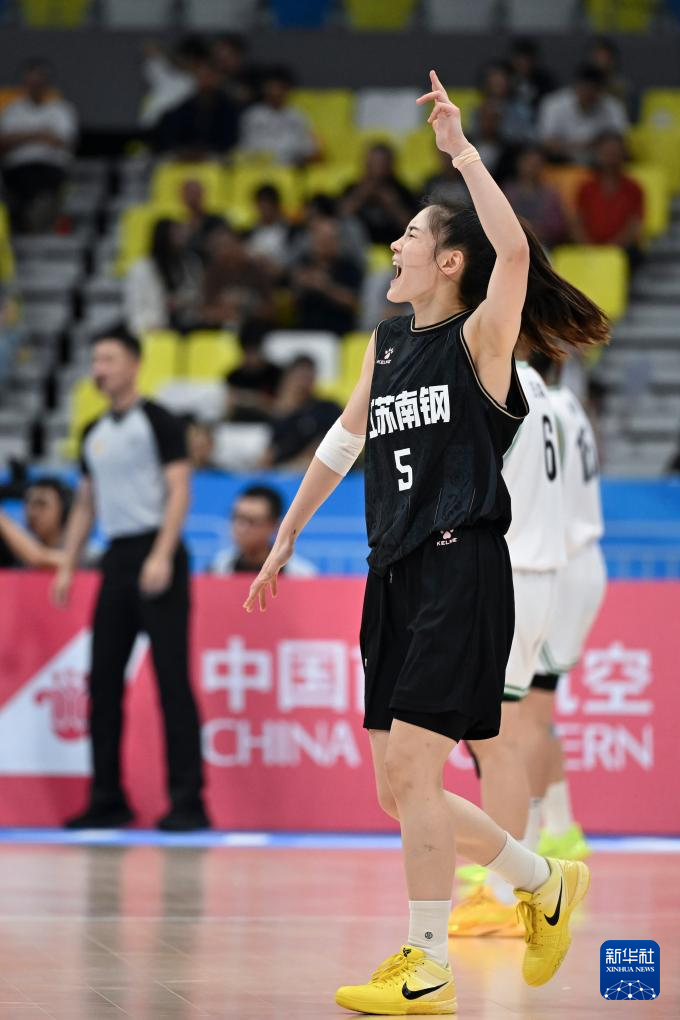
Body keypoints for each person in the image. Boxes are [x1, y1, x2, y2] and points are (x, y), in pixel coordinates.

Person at [242, 71, 608, 1014]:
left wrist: (462, 151)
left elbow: (514, 252)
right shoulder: (387, 342)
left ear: (448, 260)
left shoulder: (481, 340)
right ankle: (542, 880)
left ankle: (428, 962)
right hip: (394, 571)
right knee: (395, 791)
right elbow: (343, 441)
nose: (396, 244)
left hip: (461, 565)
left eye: (411, 234)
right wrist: (287, 533)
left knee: (415, 771)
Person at [52, 327, 209, 832]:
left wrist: (161, 553)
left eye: (109, 359)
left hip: (157, 550)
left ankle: (188, 801)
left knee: (171, 681)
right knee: (102, 681)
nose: (99, 369)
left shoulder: (158, 420)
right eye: (95, 359)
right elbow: (85, 503)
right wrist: (67, 564)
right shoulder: (93, 432)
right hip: (116, 557)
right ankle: (107, 798)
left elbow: (179, 489)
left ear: (134, 364)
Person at [448, 353, 567, 937]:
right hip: (537, 569)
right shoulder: (543, 388)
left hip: (508, 568)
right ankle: (512, 881)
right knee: (503, 735)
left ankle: (509, 891)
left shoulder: (497, 375)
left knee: (497, 741)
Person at [522, 353, 606, 863]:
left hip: (556, 564)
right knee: (536, 712)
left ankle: (523, 850)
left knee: (523, 718)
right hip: (578, 560)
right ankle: (560, 829)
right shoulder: (567, 401)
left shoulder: (532, 404)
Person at [0, 58, 78, 233]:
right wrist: (39, 134)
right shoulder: (13, 110)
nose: (34, 86)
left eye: (38, 82)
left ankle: (30, 222)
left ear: (46, 83)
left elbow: (62, 141)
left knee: (47, 185)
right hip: (18, 168)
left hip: (50, 167)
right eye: (30, 82)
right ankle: (27, 222)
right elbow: (3, 141)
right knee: (20, 185)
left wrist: (21, 137)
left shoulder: (61, 109)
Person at [571, 131, 644, 269]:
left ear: (623, 154)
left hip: (622, 250)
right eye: (607, 152)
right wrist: (589, 247)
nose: (611, 156)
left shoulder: (634, 188)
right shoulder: (586, 188)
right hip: (588, 249)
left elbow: (634, 225)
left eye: (615, 152)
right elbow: (577, 222)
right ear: (598, 154)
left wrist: (613, 248)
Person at [258, 355, 341, 470]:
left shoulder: (328, 409)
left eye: (307, 377)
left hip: (318, 470)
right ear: (287, 379)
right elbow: (267, 454)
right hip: (279, 472)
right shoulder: (275, 416)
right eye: (299, 377)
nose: (303, 383)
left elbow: (331, 444)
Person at [212, 485, 317, 576]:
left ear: (276, 525)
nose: (241, 527)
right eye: (237, 517)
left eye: (252, 521)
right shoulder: (218, 568)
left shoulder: (301, 574)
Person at [124, 218, 204, 336]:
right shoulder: (142, 268)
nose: (181, 238)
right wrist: (147, 328)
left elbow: (197, 294)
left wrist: (180, 301)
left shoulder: (189, 263)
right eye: (175, 234)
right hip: (152, 327)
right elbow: (134, 307)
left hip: (187, 325)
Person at [537, 64, 628, 164]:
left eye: (593, 90)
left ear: (600, 90)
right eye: (585, 89)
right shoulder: (553, 103)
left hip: (599, 165)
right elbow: (546, 143)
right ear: (576, 86)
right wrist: (587, 145)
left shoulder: (614, 107)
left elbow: (620, 143)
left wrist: (566, 145)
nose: (588, 94)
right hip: (561, 163)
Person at [154, 56, 240, 158]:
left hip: (216, 158)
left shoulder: (229, 108)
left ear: (218, 78)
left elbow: (230, 140)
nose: (204, 81)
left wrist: (207, 151)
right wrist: (183, 151)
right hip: (184, 158)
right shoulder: (183, 108)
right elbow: (172, 137)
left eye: (208, 76)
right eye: (200, 76)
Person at [291, 216, 363, 335]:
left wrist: (326, 287)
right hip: (305, 332)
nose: (324, 244)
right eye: (319, 238)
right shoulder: (303, 264)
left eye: (329, 239)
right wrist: (300, 285)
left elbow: (355, 303)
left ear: (338, 242)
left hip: (337, 333)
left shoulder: (349, 267)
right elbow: (292, 302)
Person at [238, 65, 318, 166]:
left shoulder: (298, 115)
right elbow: (246, 148)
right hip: (259, 169)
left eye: (279, 87)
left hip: (290, 169)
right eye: (271, 87)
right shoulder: (252, 115)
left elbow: (308, 148)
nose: (275, 91)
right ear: (264, 89)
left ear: (287, 89)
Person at [342, 143, 417, 245]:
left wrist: (393, 205)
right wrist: (360, 196)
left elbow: (412, 227)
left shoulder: (402, 190)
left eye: (381, 163)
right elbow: (340, 217)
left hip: (394, 245)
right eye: (373, 163)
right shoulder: (353, 188)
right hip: (359, 246)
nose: (377, 169)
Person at [503, 146, 568, 248]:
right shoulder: (508, 191)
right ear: (519, 163)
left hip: (543, 245)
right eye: (527, 162)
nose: (531, 167)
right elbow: (500, 220)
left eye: (536, 163)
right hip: (512, 243)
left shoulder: (550, 193)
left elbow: (558, 226)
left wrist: (541, 230)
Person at [0, 477, 70, 568]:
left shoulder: (77, 550)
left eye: (42, 504)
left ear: (63, 510)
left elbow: (39, 558)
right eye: (28, 503)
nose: (32, 512)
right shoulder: (16, 550)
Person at [225, 317, 283, 423]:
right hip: (239, 424)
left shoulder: (277, 374)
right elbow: (228, 410)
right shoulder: (233, 376)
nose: (251, 358)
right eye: (248, 352)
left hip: (270, 423)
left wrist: (256, 400)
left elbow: (281, 409)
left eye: (255, 352)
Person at [245, 184, 291, 272]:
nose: (264, 211)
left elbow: (290, 259)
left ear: (276, 206)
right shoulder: (249, 232)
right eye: (261, 206)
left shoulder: (290, 232)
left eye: (267, 206)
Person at [180, 179, 227, 263]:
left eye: (195, 192)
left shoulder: (216, 221)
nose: (192, 197)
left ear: (203, 194)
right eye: (189, 193)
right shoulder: (178, 226)